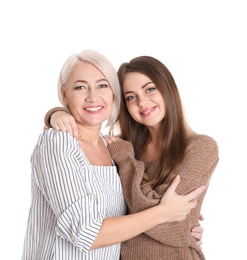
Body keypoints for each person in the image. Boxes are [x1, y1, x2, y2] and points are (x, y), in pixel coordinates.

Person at [22, 50, 206, 260]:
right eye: (80, 87)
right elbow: (85, 232)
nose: (93, 97)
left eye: (102, 85)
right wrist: (164, 213)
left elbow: (136, 210)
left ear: (113, 94)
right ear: (64, 94)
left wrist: (184, 224)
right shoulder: (59, 142)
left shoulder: (114, 148)